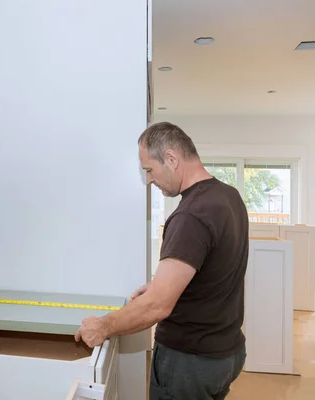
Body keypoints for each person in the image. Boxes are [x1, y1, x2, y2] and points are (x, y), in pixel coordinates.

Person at [74, 121, 249, 400]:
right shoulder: (229, 197)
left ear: (171, 159)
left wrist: (103, 326)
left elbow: (157, 306)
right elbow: (214, 269)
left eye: (149, 170)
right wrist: (161, 283)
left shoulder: (190, 216)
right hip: (226, 355)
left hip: (189, 362)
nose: (149, 180)